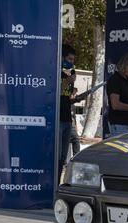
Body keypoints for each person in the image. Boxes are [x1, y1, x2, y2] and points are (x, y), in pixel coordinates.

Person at [58, 44, 77, 183]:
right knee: (57, 155)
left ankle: (59, 182)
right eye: (69, 59)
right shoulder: (57, 73)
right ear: (63, 57)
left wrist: (76, 97)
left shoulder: (67, 75)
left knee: (63, 156)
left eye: (73, 60)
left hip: (67, 118)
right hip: (58, 119)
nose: (71, 62)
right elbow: (55, 92)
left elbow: (66, 98)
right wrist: (67, 81)